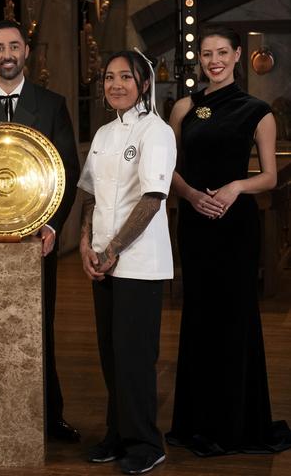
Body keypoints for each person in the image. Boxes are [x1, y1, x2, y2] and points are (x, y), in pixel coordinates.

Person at [0, 19, 80, 442]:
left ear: (27, 52)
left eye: (14, 46)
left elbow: (67, 170)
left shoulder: (53, 103)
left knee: (39, 327)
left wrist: (55, 226)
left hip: (35, 239)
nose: (7, 54)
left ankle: (48, 415)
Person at [166, 25, 291, 456]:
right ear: (198, 59)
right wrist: (192, 196)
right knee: (199, 315)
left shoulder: (258, 111)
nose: (214, 60)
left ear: (238, 55)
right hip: (196, 222)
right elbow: (169, 170)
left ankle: (235, 422)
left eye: (222, 52)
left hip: (235, 226)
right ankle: (196, 420)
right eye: (206, 54)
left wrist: (236, 187)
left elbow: (270, 177)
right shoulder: (184, 107)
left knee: (235, 317)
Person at [78, 50, 176, 474]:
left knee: (135, 356)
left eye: (126, 77)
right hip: (101, 259)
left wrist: (113, 247)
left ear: (144, 83)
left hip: (137, 263)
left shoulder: (156, 132)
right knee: (111, 354)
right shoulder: (101, 135)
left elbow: (153, 199)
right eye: (109, 77)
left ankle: (146, 441)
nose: (116, 84)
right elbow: (90, 194)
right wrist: (85, 243)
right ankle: (117, 433)